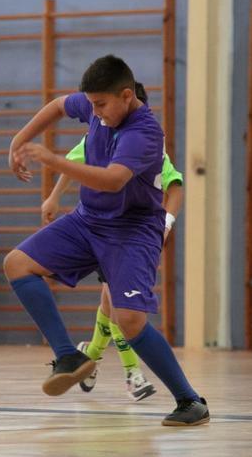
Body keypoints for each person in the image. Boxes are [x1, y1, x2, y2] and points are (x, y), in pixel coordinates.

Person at [4, 55, 209, 426]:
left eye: (101, 105)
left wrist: (52, 159)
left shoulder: (144, 133)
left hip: (133, 232)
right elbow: (57, 105)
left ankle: (189, 401)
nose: (94, 112)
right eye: (91, 104)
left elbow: (113, 180)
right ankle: (68, 356)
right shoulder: (97, 106)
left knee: (128, 321)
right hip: (88, 221)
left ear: (127, 96)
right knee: (17, 263)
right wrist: (18, 140)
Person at [41, 83, 185, 401]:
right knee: (115, 305)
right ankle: (132, 372)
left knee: (113, 305)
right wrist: (53, 197)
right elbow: (73, 163)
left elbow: (175, 184)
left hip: (134, 236)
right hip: (101, 231)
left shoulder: (148, 143)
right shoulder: (100, 134)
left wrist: (167, 223)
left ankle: (90, 355)